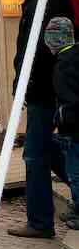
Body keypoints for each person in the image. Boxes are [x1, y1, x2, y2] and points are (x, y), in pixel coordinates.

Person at [9, 0, 76, 238]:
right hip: (43, 87)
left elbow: (46, 50)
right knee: (49, 149)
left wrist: (31, 82)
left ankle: (39, 222)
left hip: (46, 89)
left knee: (35, 155)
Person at [44, 16, 79, 230]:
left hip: (73, 130)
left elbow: (69, 100)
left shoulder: (63, 66)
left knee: (75, 172)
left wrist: (60, 119)